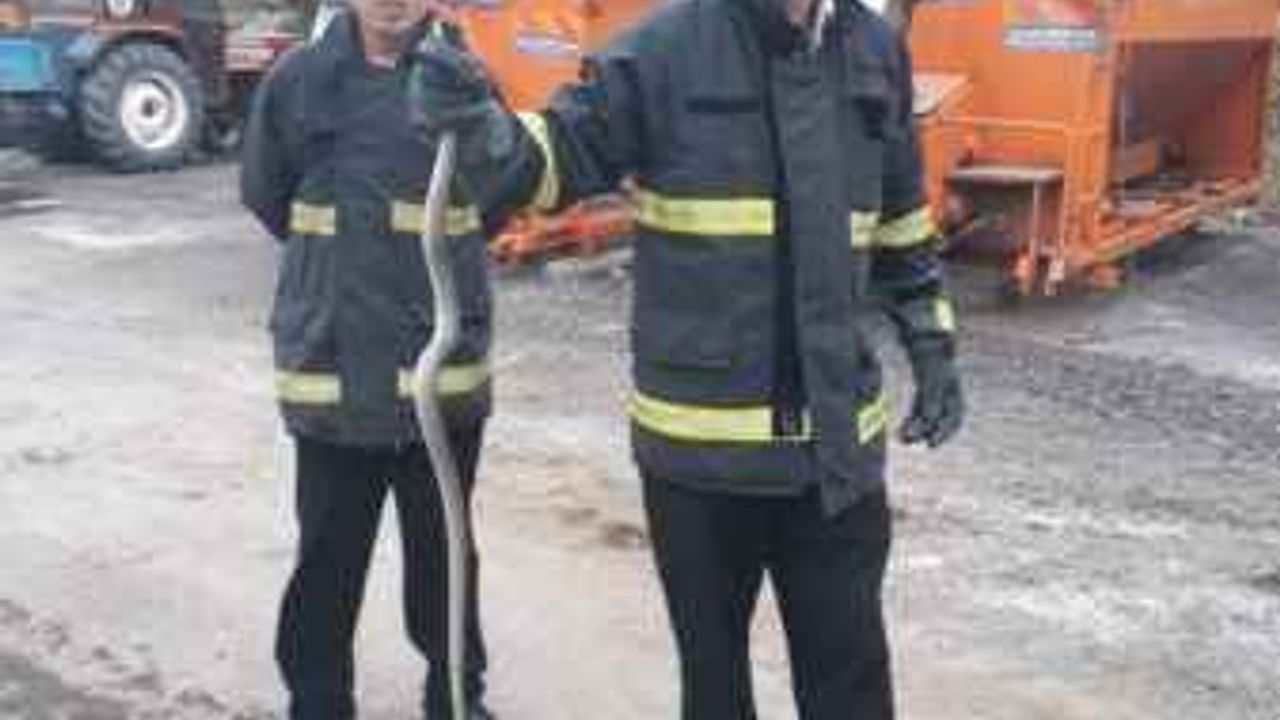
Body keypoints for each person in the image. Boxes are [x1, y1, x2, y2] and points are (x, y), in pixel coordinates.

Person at [411, 0, 965, 717]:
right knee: (714, 690)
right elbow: (553, 158)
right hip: (702, 469)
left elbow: (901, 217)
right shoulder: (661, 50)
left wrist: (930, 339)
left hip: (836, 460)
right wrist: (479, 125)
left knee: (852, 689)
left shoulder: (875, 50)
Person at [240, 0, 496, 716]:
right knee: (327, 561)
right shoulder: (297, 81)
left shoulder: (463, 80)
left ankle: (456, 697)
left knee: (446, 556)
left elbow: (499, 193)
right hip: (332, 375)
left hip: (437, 382)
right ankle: (318, 702)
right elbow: (266, 194)